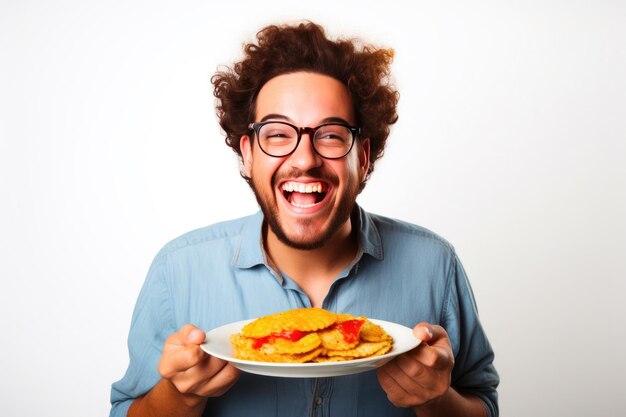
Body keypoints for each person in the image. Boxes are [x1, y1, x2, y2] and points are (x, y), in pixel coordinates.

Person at [110, 21, 499, 417]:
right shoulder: (178, 272)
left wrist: (436, 402)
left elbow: (483, 403)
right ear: (247, 154)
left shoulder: (434, 265)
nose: (304, 159)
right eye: (278, 134)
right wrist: (179, 398)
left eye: (330, 135)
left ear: (362, 158)